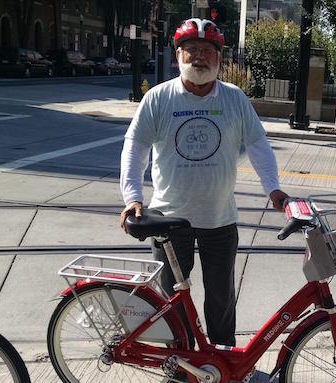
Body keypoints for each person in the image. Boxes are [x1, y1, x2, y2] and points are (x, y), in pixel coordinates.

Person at [119, 18, 288, 347]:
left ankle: (222, 355)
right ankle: (181, 359)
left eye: (207, 51)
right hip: (170, 220)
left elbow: (258, 145)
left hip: (219, 219)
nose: (199, 57)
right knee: (172, 299)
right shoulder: (158, 98)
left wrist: (274, 188)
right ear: (178, 56)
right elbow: (134, 148)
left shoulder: (234, 99)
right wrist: (132, 198)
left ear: (219, 59)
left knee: (221, 298)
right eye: (191, 50)